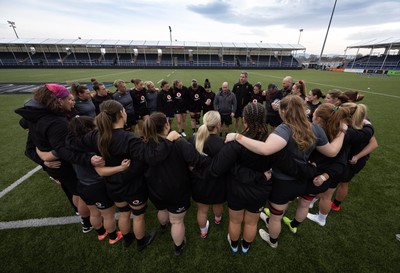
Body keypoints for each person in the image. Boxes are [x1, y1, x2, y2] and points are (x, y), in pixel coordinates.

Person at [225, 95, 346, 248]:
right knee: (292, 207)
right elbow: (333, 152)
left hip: (282, 182)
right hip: (301, 181)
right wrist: (342, 132)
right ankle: (290, 225)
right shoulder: (315, 128)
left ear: (283, 111)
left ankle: (273, 240)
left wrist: (237, 136)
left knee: (276, 217)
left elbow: (265, 149)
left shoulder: (285, 128)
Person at [67, 100, 156, 250]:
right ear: (121, 113)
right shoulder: (129, 139)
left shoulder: (97, 136)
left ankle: (127, 238)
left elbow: (71, 142)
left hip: (112, 184)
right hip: (132, 185)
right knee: (138, 215)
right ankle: (141, 242)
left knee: (124, 212)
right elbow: (141, 164)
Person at [15, 84, 98, 233]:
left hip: (57, 166)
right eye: (68, 99)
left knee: (74, 192)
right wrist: (88, 159)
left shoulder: (37, 117)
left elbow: (32, 146)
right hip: (65, 166)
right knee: (81, 193)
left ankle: (84, 219)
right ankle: (87, 222)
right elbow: (65, 150)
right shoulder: (56, 122)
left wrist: (44, 159)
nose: (71, 102)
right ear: (58, 101)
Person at [142, 112, 210, 256]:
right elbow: (195, 160)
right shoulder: (179, 143)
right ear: (167, 125)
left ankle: (163, 226)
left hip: (155, 189)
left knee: (162, 209)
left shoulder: (144, 144)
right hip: (176, 189)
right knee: (177, 221)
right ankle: (178, 247)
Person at [209, 103, 273, 254]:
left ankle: (235, 245)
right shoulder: (273, 142)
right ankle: (244, 247)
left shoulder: (236, 143)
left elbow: (216, 169)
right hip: (258, 189)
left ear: (244, 120)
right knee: (251, 222)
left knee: (236, 221)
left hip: (238, 189)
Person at [306, 103, 375, 226]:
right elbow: (369, 133)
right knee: (327, 190)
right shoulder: (358, 129)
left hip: (337, 165)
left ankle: (321, 218)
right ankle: (313, 203)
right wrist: (368, 124)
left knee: (327, 195)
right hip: (342, 164)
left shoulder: (343, 131)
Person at [67, 116, 126, 244]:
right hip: (97, 186)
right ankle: (113, 236)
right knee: (108, 215)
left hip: (82, 184)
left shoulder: (71, 145)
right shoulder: (91, 148)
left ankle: (100, 233)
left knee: (94, 212)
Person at [189, 111, 225, 238]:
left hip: (199, 182)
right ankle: (217, 219)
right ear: (218, 125)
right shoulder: (223, 143)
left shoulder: (193, 139)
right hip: (217, 182)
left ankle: (203, 231)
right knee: (217, 204)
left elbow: (188, 161)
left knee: (202, 209)